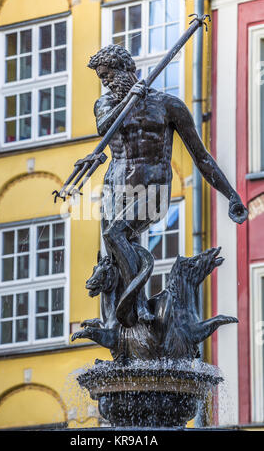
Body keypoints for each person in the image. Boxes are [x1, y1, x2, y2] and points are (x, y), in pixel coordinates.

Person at [87, 44, 248, 328]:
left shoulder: (168, 105)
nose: (107, 83)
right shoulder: (106, 104)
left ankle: (136, 304)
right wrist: (128, 102)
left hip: (153, 189)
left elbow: (201, 157)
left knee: (116, 234)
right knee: (112, 261)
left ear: (128, 69)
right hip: (115, 188)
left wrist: (231, 195)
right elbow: (104, 127)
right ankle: (119, 332)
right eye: (103, 79)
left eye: (110, 75)